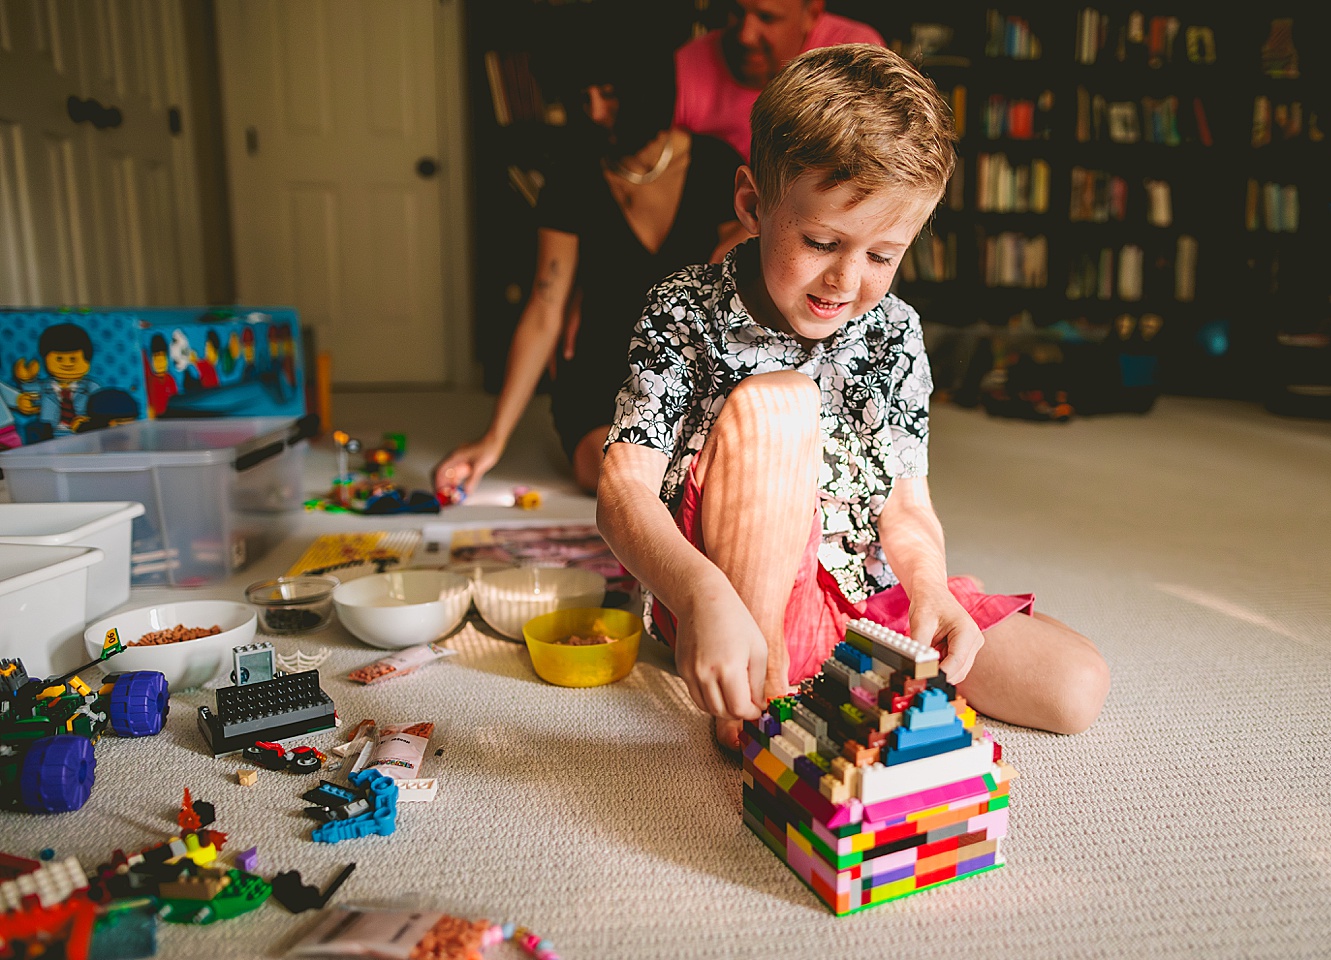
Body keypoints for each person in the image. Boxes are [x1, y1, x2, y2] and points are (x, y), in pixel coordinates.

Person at [596, 45, 1110, 750]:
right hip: (731, 601)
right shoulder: (684, 308)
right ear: (752, 203)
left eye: (881, 255)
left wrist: (928, 592)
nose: (846, 280)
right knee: (781, 403)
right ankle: (760, 699)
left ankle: (837, 674)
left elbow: (904, 502)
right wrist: (698, 593)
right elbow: (622, 492)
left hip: (857, 594)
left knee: (1074, 686)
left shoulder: (895, 331)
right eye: (821, 240)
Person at [434, 39, 745, 500]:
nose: (596, 112)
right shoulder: (573, 176)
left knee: (717, 473)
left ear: (650, 91)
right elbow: (545, 304)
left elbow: (748, 267)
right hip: (603, 369)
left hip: (694, 364)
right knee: (615, 475)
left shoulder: (718, 165)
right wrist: (494, 437)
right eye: (585, 98)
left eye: (610, 94)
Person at [673, 0, 884, 161]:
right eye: (736, 12)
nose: (745, 36)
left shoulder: (854, 56)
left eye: (767, 17)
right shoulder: (687, 64)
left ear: (811, 14)